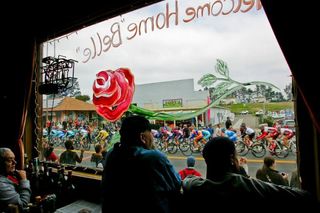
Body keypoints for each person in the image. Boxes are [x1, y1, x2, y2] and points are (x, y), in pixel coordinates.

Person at [182, 137, 311, 211]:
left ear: (206, 159)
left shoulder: (195, 187)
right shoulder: (245, 184)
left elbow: (189, 181)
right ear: (232, 158)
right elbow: (296, 195)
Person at [101, 116, 181, 213]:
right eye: (150, 132)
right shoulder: (154, 157)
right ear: (142, 137)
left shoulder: (111, 154)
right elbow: (176, 183)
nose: (152, 136)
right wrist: (152, 148)